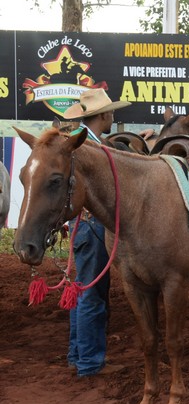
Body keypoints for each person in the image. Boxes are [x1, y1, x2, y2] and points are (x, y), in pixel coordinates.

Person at [61, 88, 132, 377]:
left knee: (83, 290)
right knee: (91, 293)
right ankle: (89, 363)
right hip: (91, 227)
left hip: (84, 226)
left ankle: (77, 355)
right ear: (103, 115)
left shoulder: (83, 141)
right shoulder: (90, 147)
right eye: (111, 112)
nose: (113, 116)